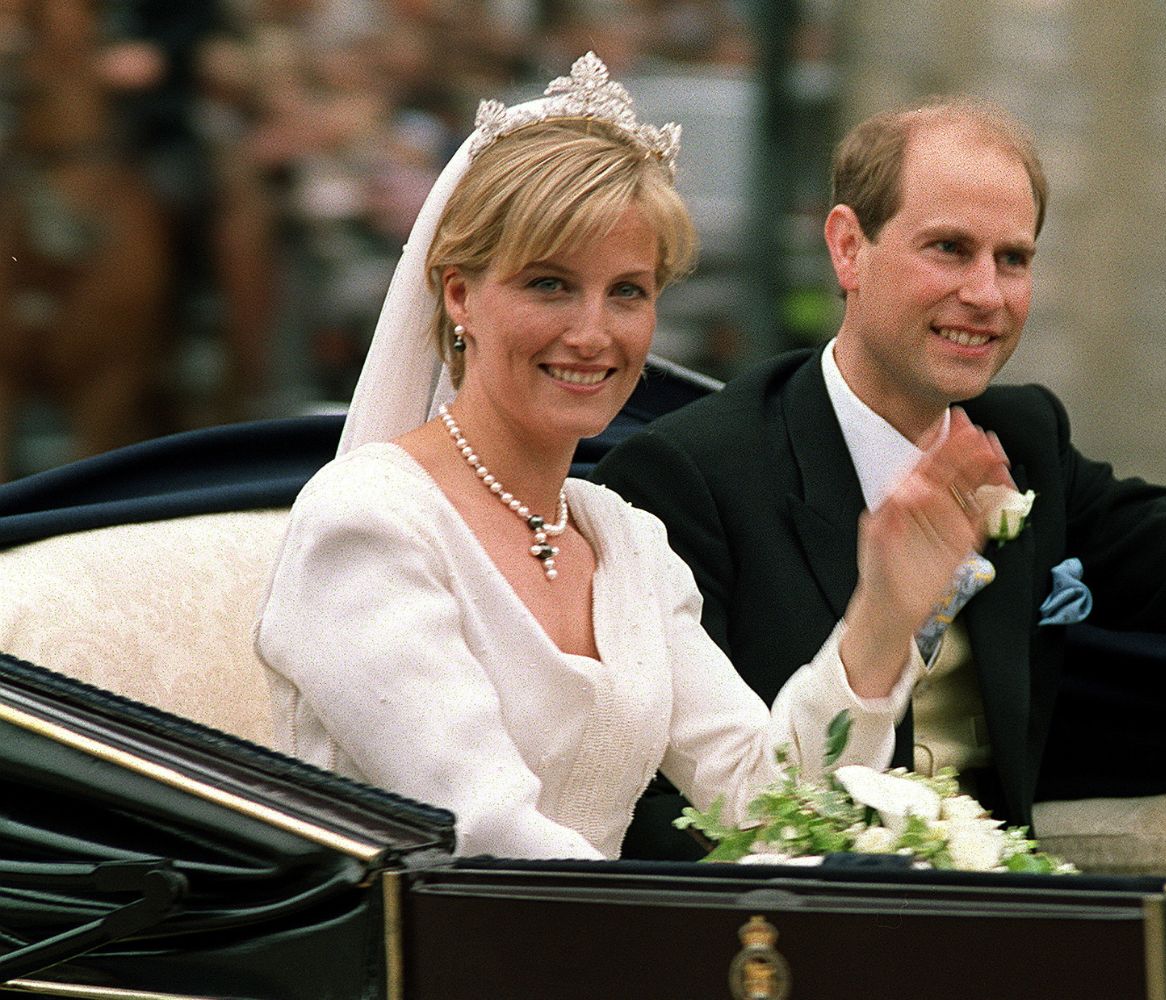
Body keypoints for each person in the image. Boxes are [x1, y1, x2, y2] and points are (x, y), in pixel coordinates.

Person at [592, 96, 1166, 859]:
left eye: (1013, 259)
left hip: (1006, 885)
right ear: (848, 248)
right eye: (949, 248)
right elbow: (654, 815)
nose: (985, 294)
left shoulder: (1023, 441)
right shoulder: (686, 477)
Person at [254, 55, 1008, 860]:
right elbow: (481, 831)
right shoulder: (370, 521)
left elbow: (769, 801)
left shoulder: (626, 542)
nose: (592, 333)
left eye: (627, 292)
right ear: (459, 295)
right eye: (549, 285)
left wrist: (884, 614)